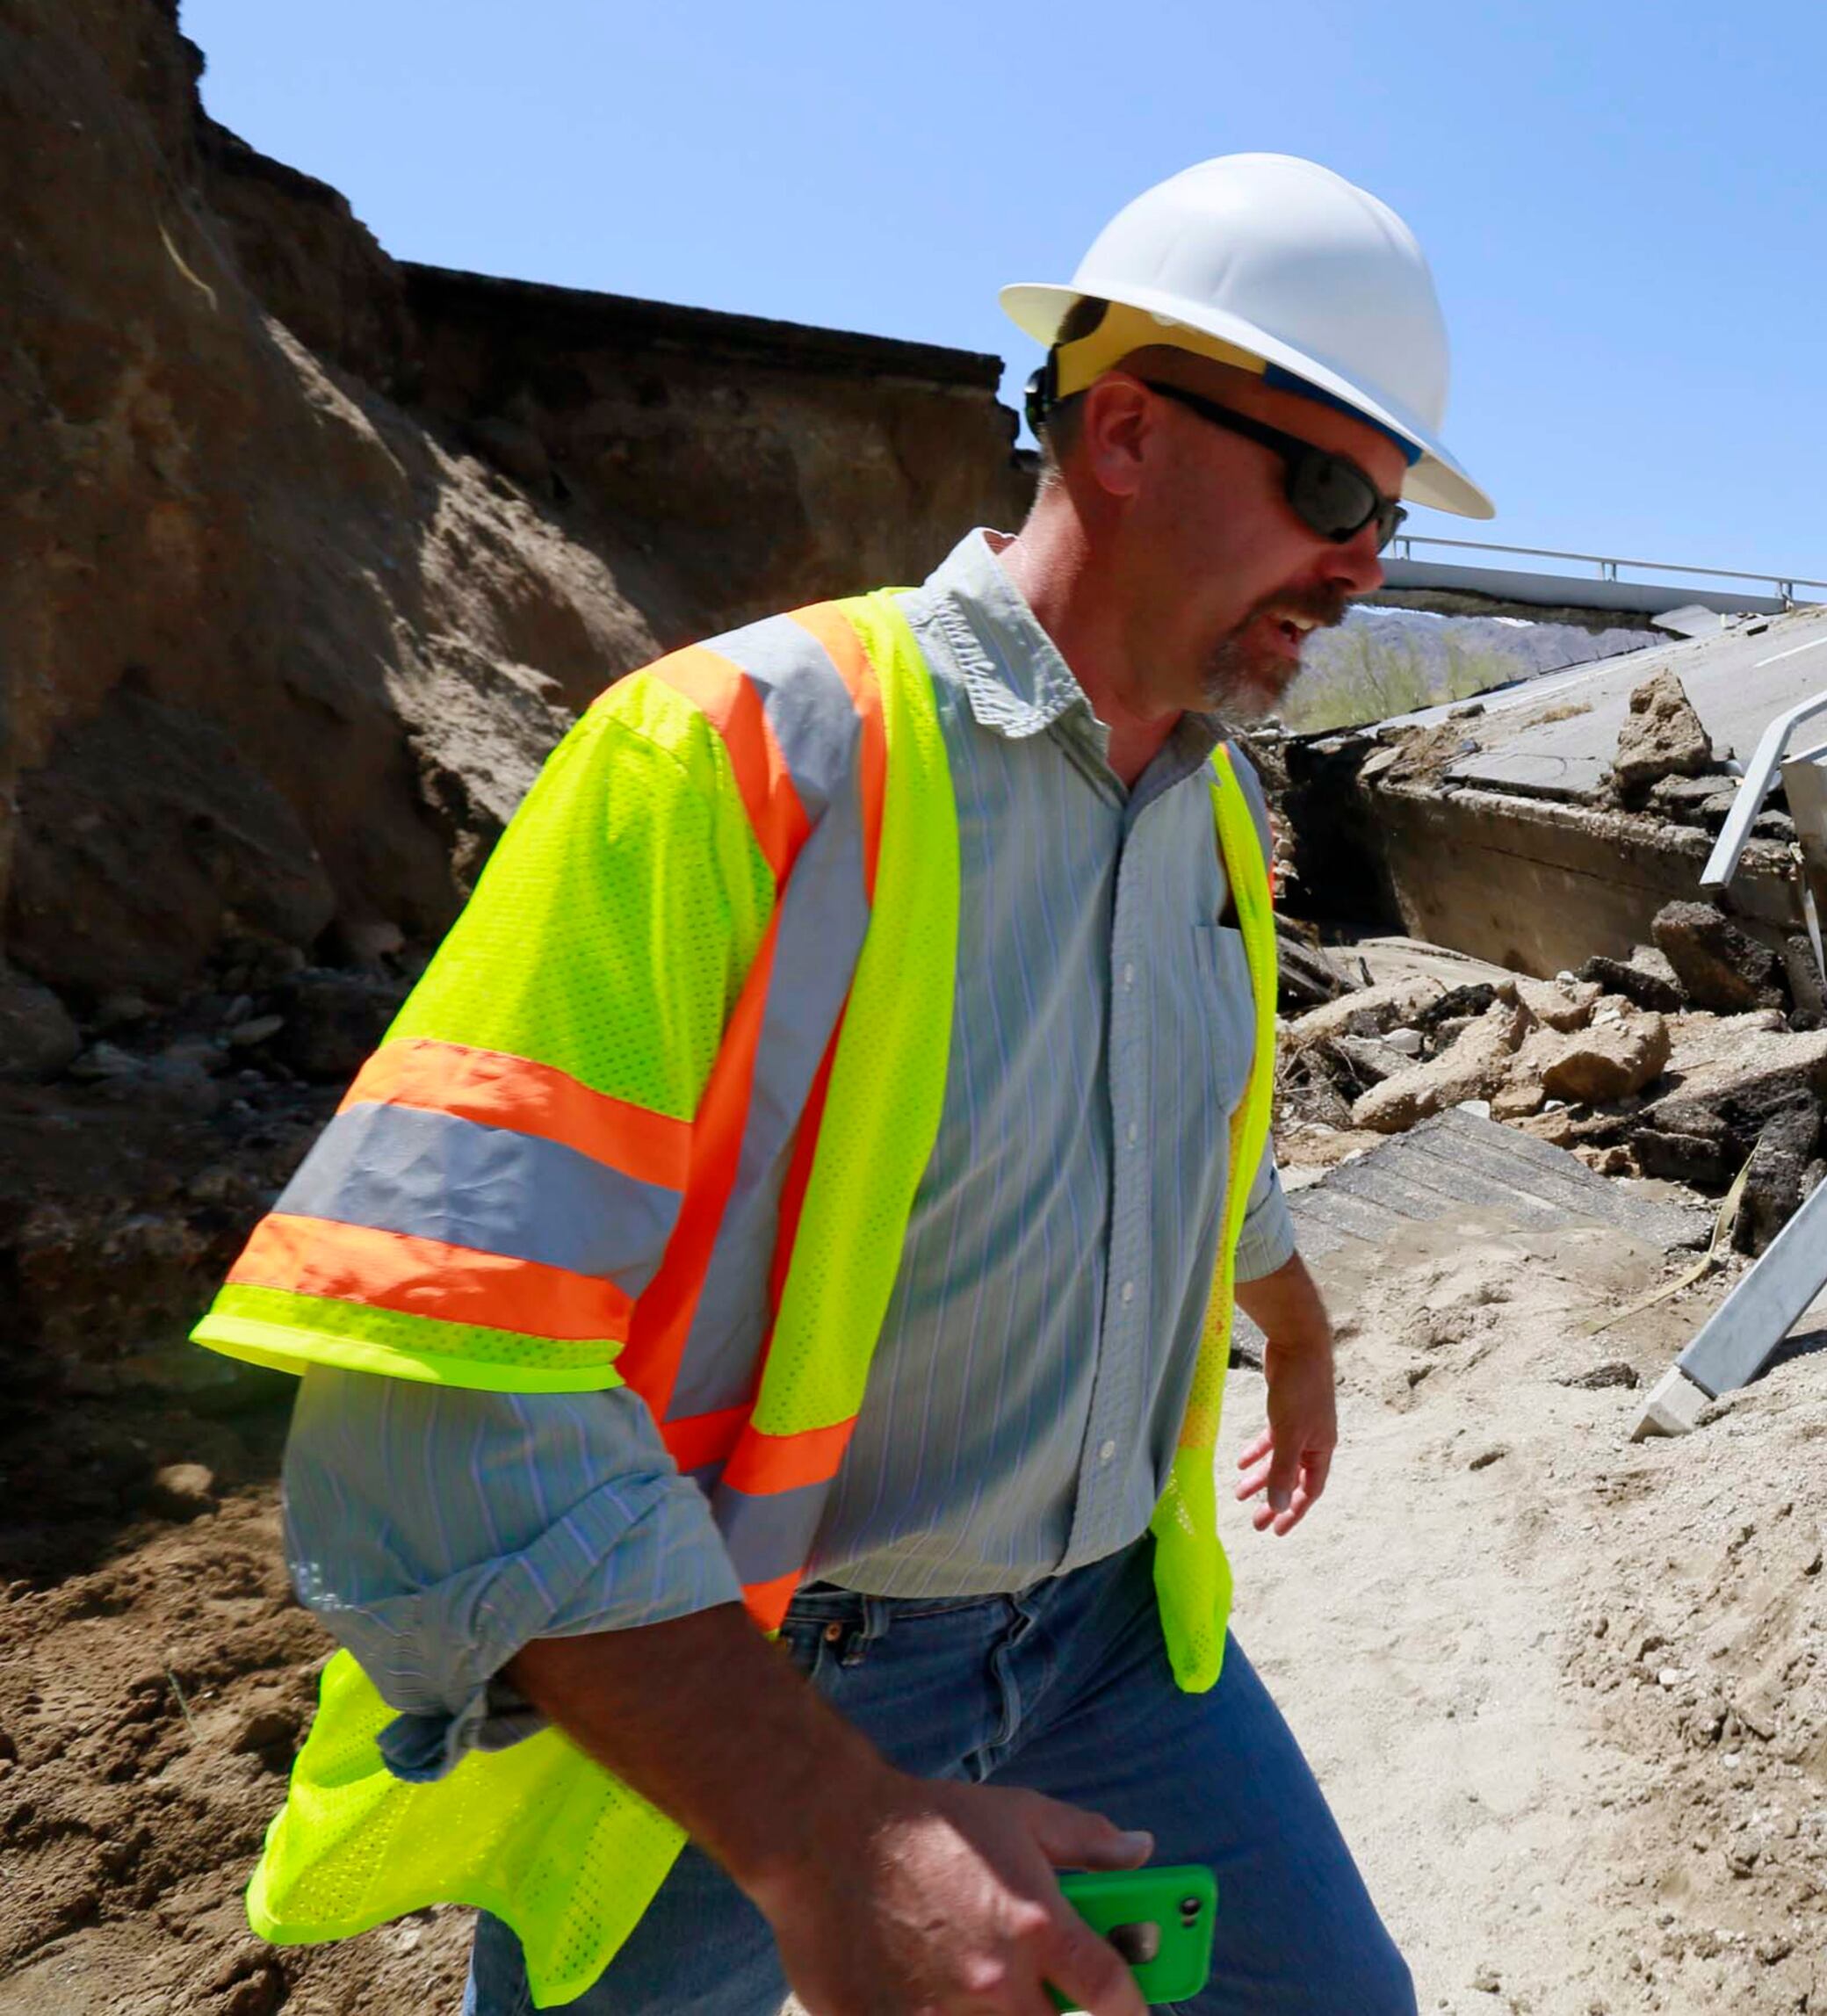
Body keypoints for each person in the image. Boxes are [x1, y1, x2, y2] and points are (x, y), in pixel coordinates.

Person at [191, 155, 1493, 2016]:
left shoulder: (1210, 797)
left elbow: (1186, 1124)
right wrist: (826, 1828)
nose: (1366, 563)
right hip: (764, 1665)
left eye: (1391, 521)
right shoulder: (728, 753)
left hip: (1114, 1638)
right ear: (1122, 430)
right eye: (1334, 490)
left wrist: (1288, 1315)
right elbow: (433, 1389)